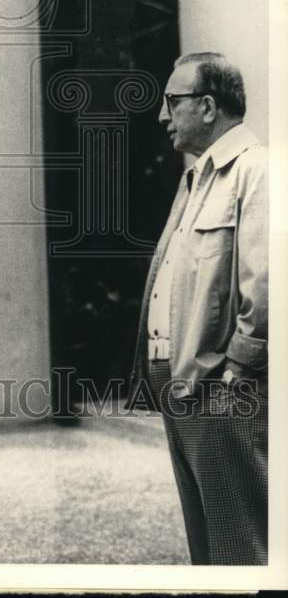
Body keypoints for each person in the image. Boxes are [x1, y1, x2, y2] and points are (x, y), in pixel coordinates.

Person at [129, 52, 267, 565]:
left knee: (240, 545)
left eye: (173, 101)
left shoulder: (257, 170)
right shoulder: (197, 177)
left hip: (221, 388)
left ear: (207, 107)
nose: (162, 115)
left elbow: (268, 279)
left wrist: (239, 368)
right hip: (183, 383)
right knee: (206, 547)